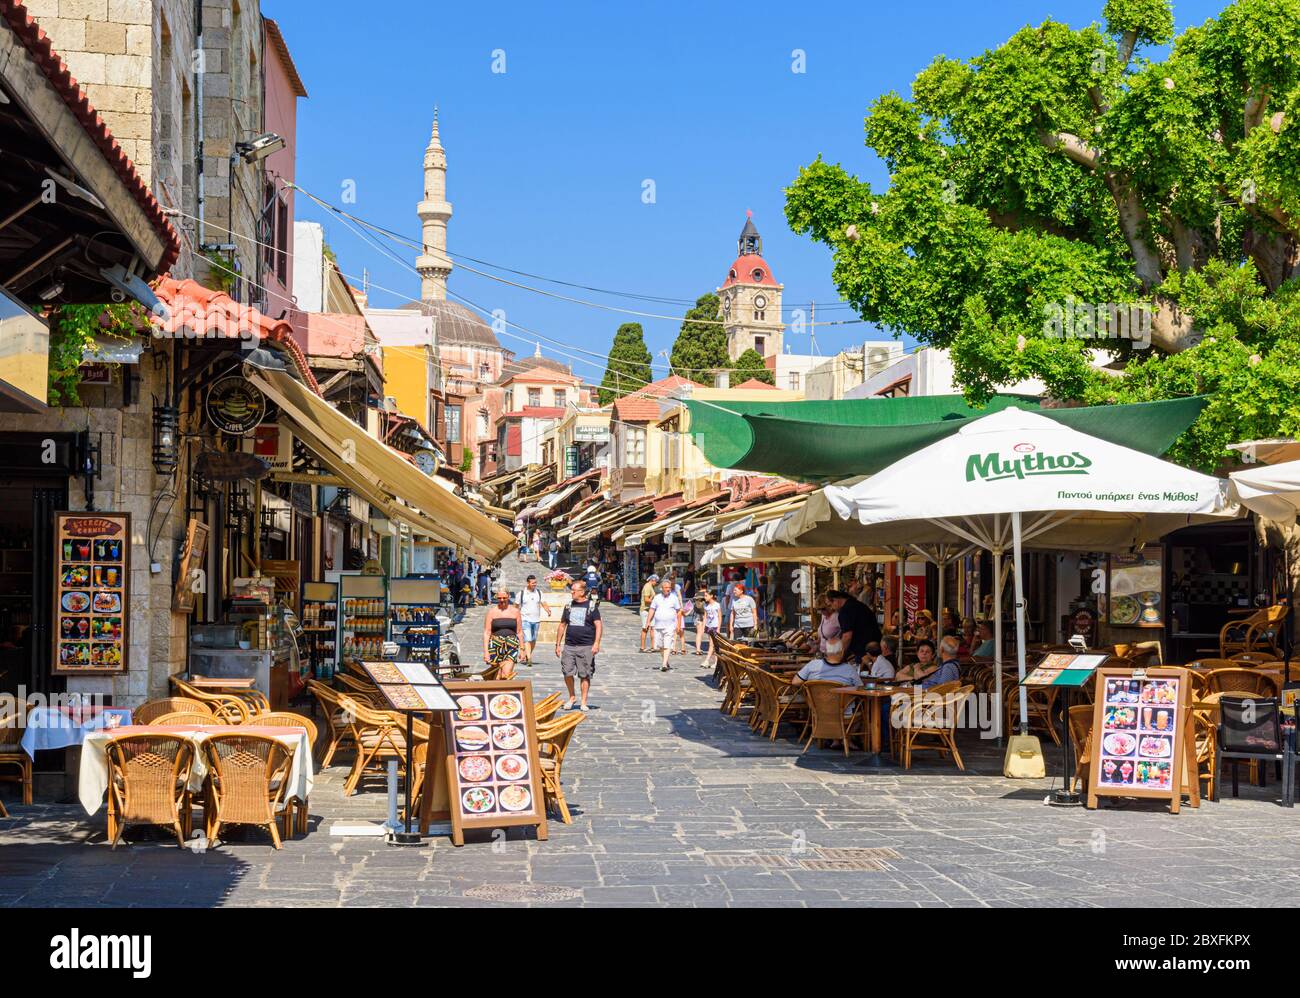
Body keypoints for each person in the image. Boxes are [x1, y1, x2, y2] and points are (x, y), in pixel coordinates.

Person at [555, 578, 602, 711]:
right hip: (569, 645)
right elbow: (562, 625)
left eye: (574, 591)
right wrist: (558, 644)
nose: (572, 593)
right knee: (567, 672)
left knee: (585, 674)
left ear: (582, 592)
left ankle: (584, 701)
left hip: (586, 645)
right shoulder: (569, 606)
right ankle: (572, 697)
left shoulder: (591, 607)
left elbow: (598, 625)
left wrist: (596, 643)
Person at [828, 589, 881, 662]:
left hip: (864, 652)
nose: (831, 608)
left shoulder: (845, 611)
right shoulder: (855, 604)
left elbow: (847, 637)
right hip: (873, 648)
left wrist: (839, 657)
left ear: (835, 600)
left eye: (830, 605)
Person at [483, 587, 522, 680]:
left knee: (506, 675)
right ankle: (498, 693)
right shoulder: (491, 612)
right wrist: (486, 652)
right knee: (497, 674)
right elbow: (487, 632)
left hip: (511, 644)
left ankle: (504, 692)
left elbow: (519, 632)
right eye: (499, 598)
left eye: (504, 598)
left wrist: (523, 649)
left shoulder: (516, 612)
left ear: (508, 596)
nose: (502, 600)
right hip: (495, 645)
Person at [790, 636, 862, 688]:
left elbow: (795, 682)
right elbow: (860, 688)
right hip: (843, 708)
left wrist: (810, 686)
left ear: (825, 652)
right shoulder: (849, 669)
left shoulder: (813, 664)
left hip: (817, 708)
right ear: (842, 652)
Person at [897, 636, 962, 689]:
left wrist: (914, 688)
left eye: (927, 652)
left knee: (893, 697)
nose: (924, 653)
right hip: (921, 692)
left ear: (941, 649)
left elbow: (942, 689)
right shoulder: (947, 666)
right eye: (921, 651)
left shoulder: (948, 667)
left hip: (923, 696)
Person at [649, 577, 684, 672]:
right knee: (660, 646)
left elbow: (679, 612)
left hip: (670, 626)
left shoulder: (674, 598)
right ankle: (666, 660)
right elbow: (652, 609)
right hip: (658, 625)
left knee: (667, 644)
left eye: (669, 587)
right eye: (666, 587)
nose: (668, 589)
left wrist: (678, 625)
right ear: (662, 588)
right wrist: (648, 621)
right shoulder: (657, 598)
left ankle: (664, 664)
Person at [516, 574, 551, 667]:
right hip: (525, 619)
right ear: (528, 583)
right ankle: (529, 658)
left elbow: (543, 602)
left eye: (535, 582)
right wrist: (515, 616)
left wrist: (547, 610)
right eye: (533, 583)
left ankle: (528, 655)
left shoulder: (539, 592)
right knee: (528, 638)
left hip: (536, 620)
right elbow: (516, 606)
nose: (534, 584)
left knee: (533, 639)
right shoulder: (521, 593)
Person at [701, 589, 722, 670]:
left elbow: (720, 617)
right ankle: (716, 662)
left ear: (711, 596)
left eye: (706, 595)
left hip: (715, 626)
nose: (705, 597)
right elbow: (705, 617)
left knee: (713, 644)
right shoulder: (706, 606)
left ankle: (707, 661)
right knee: (713, 645)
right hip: (709, 626)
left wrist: (719, 628)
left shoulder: (717, 605)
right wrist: (703, 627)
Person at [639, 573, 659, 652]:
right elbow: (646, 600)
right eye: (656, 582)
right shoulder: (647, 587)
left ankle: (653, 646)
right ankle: (642, 647)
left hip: (650, 610)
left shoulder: (650, 587)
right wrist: (654, 601)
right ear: (652, 580)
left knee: (652, 628)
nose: (656, 583)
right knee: (645, 628)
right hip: (645, 610)